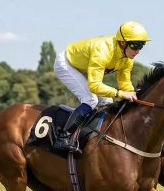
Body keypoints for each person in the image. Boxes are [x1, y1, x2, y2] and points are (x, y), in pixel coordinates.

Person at [51, 21, 148, 153]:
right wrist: (121, 94)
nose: (138, 51)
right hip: (67, 63)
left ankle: (92, 134)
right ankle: (64, 137)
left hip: (84, 68)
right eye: (135, 45)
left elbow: (124, 83)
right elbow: (94, 86)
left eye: (141, 46)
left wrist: (132, 94)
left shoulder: (127, 58)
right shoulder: (102, 51)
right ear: (123, 42)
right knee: (90, 100)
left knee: (107, 102)